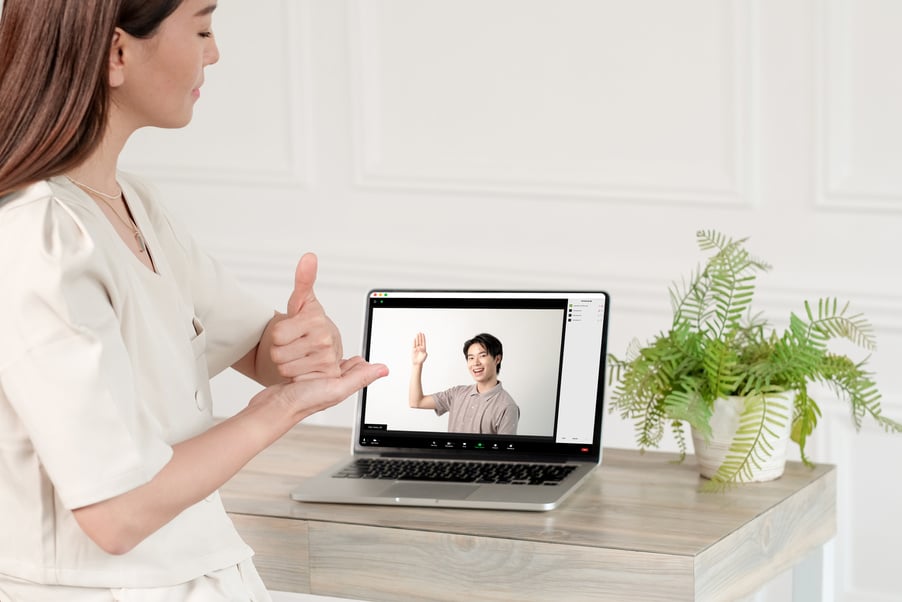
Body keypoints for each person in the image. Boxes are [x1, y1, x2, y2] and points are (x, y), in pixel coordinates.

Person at [0, 1, 388, 599]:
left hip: (197, 571)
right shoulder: (40, 236)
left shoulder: (132, 204)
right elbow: (116, 513)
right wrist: (282, 407)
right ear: (117, 53)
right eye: (203, 28)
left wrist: (296, 345)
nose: (214, 52)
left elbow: (258, 345)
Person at [409, 332, 520, 435]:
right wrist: (417, 364)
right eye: (471, 358)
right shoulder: (457, 393)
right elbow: (416, 402)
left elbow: (503, 454)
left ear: (497, 359)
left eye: (482, 356)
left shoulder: (507, 407)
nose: (475, 363)